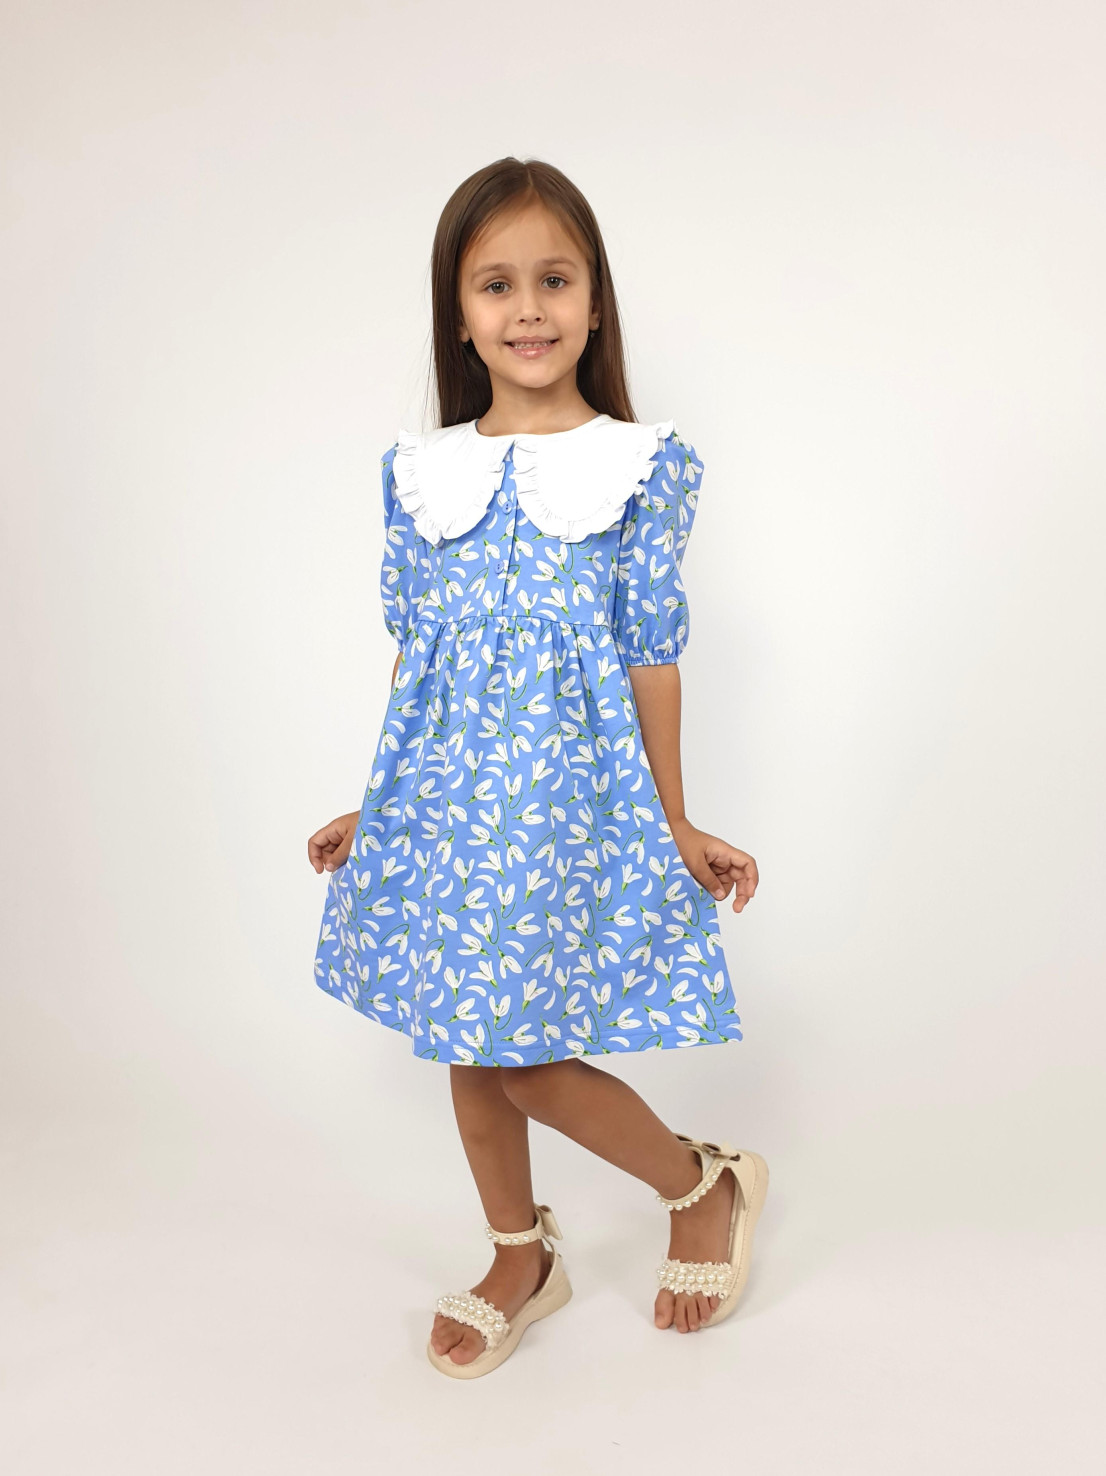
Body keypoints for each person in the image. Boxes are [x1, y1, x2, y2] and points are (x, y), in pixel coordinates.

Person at [307, 156, 767, 1379]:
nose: (527, 309)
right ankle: (520, 1254)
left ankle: (699, 1184)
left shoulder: (640, 464)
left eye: (553, 280)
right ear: (457, 314)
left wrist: (673, 822)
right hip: (446, 805)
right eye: (495, 284)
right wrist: (380, 804)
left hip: (567, 809)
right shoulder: (420, 473)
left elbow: (650, 656)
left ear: (595, 303)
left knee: (523, 1056)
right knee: (467, 1044)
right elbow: (422, 663)